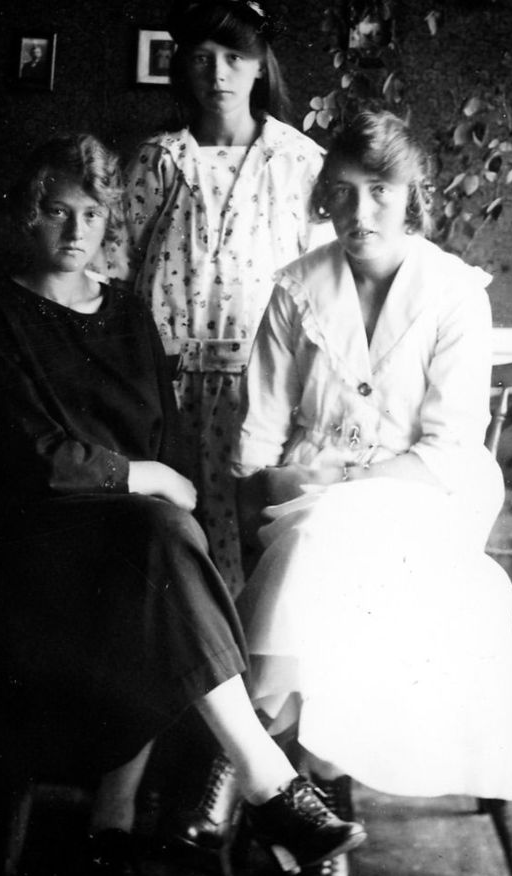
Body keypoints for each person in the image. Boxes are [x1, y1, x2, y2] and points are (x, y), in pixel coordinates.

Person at [0, 133, 364, 876]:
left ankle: (122, 825)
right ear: (27, 214)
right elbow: (28, 453)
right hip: (28, 546)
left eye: (92, 213)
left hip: (128, 545)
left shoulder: (131, 314)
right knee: (160, 537)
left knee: (164, 544)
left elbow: (162, 434)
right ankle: (264, 786)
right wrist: (140, 476)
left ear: (111, 218)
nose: (76, 230)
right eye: (56, 211)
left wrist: (158, 481)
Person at [232, 110, 512, 876]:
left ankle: (269, 766)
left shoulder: (454, 293)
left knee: (331, 536)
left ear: (412, 195)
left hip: (425, 498)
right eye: (343, 191)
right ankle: (312, 800)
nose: (359, 213)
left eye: (381, 192)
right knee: (318, 535)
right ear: (325, 195)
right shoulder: (297, 289)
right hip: (302, 496)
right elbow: (259, 432)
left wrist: (339, 489)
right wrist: (269, 490)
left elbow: (446, 447)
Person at [101, 0, 331, 596]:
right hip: (164, 385)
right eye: (202, 58)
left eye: (234, 58)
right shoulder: (159, 160)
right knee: (170, 532)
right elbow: (116, 272)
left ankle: (245, 649)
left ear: (260, 65)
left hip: (259, 390)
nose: (218, 74)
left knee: (254, 536)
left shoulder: (300, 163)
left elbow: (323, 289)